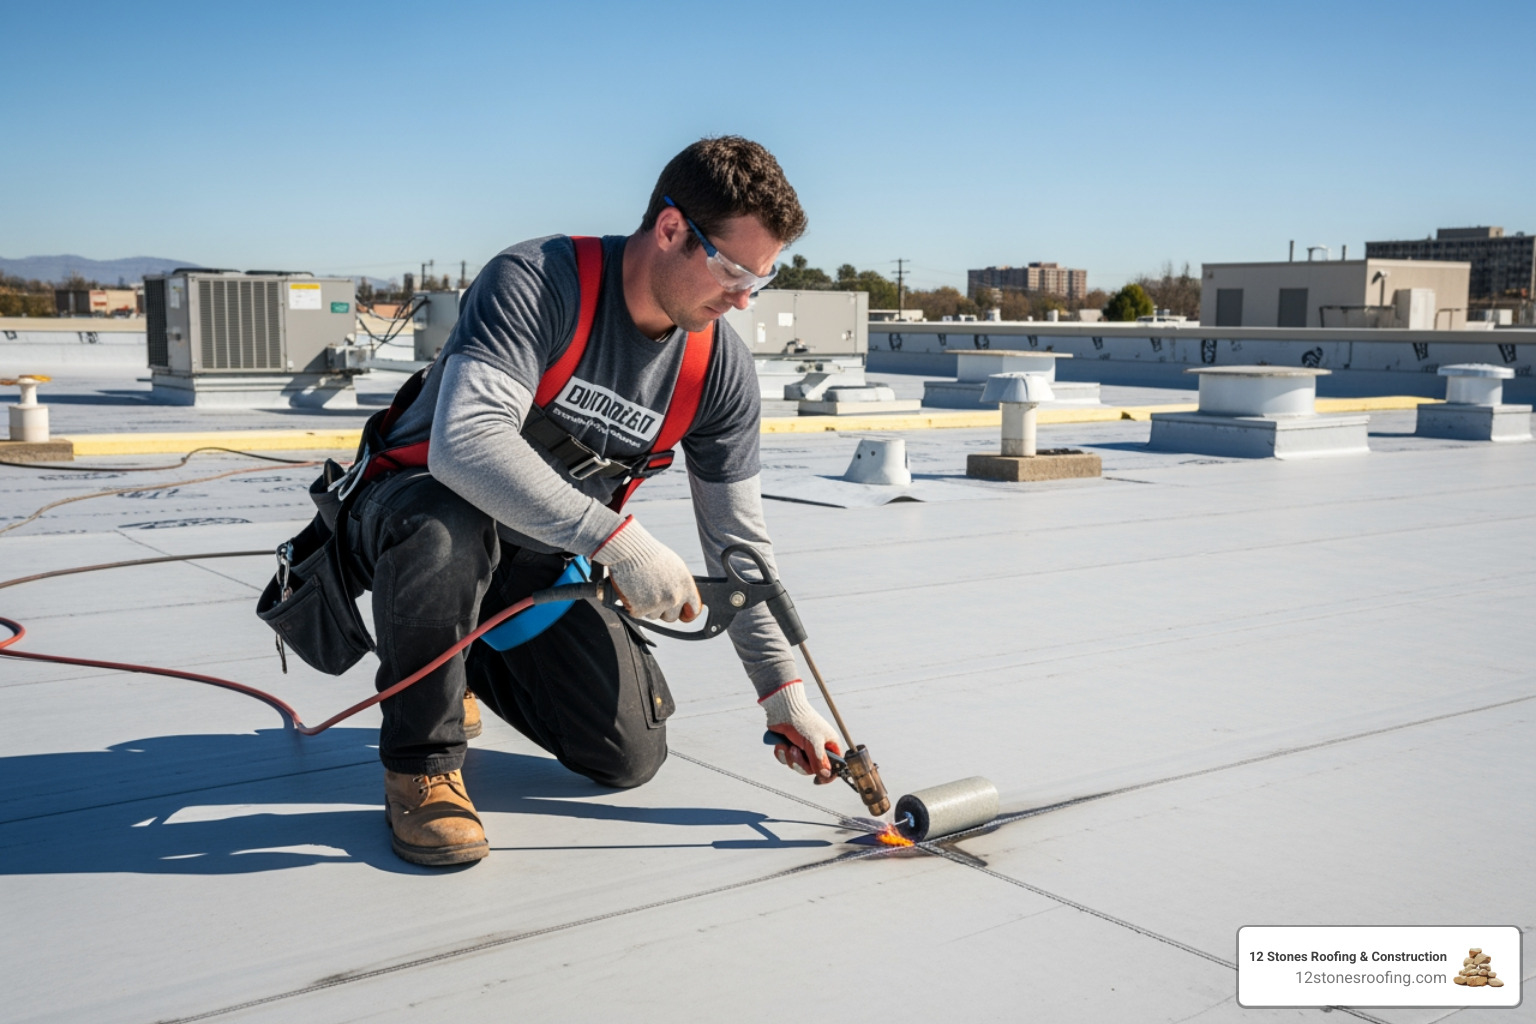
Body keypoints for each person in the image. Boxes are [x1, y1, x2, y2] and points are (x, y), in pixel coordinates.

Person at [344, 136, 844, 866]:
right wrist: (618, 541)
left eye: (759, 281)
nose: (743, 298)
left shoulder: (717, 367)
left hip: (533, 554)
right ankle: (422, 767)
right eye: (735, 270)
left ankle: (464, 658)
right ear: (671, 228)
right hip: (413, 509)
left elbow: (741, 547)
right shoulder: (539, 281)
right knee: (445, 529)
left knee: (627, 756)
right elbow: (467, 445)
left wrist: (784, 694)